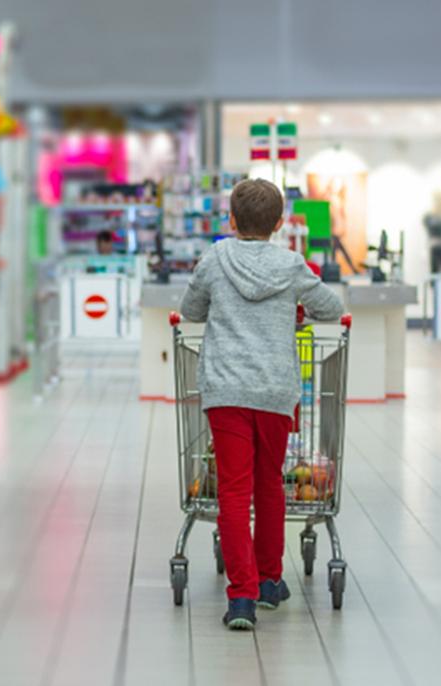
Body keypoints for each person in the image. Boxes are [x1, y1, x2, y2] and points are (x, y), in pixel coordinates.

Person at [178, 179, 344, 631]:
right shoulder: (292, 264)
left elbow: (191, 310)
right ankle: (270, 579)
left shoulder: (214, 259)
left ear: (231, 220)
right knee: (270, 484)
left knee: (233, 491)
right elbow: (331, 307)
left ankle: (242, 597)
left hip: (225, 390)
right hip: (275, 391)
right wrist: (297, 309)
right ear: (278, 223)